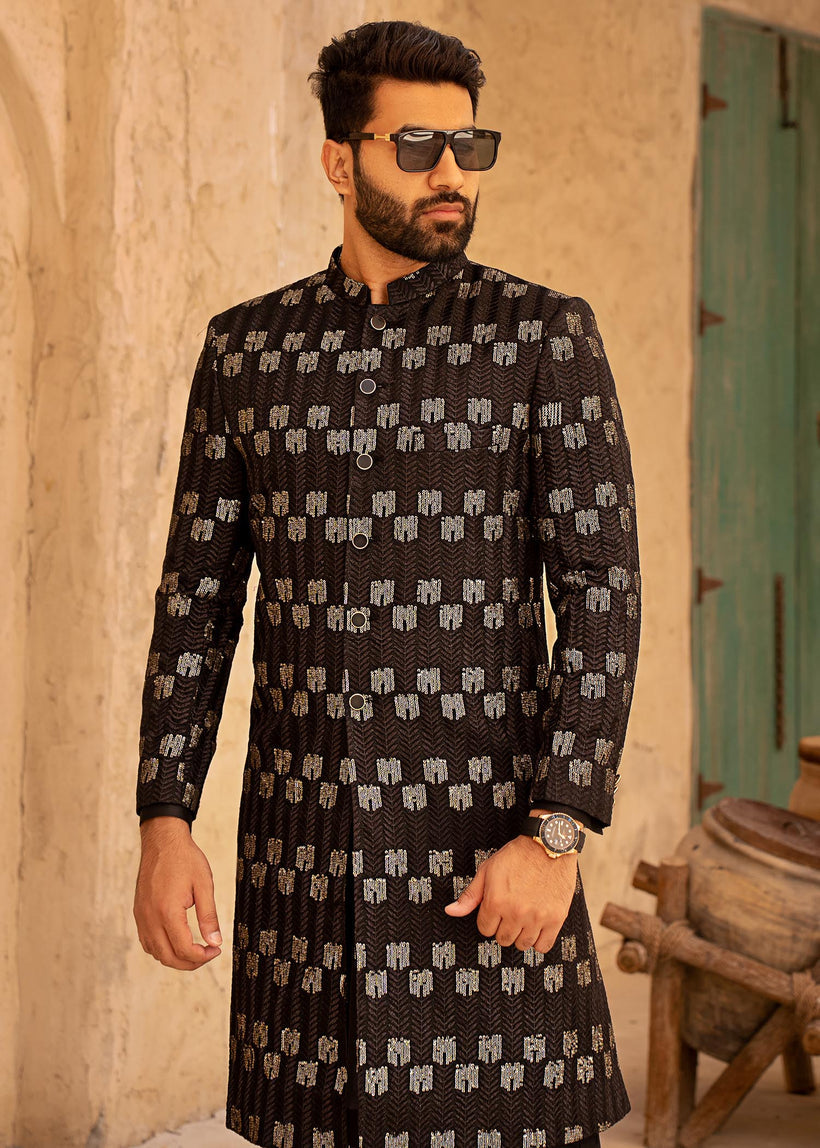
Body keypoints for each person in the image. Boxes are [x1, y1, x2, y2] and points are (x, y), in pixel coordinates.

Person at [133, 19, 641, 1148]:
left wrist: (557, 829)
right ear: (339, 160)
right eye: (417, 146)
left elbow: (602, 591)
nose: (451, 172)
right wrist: (164, 818)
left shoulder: (541, 338)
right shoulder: (247, 353)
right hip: (305, 866)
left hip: (491, 859)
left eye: (469, 146)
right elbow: (196, 604)